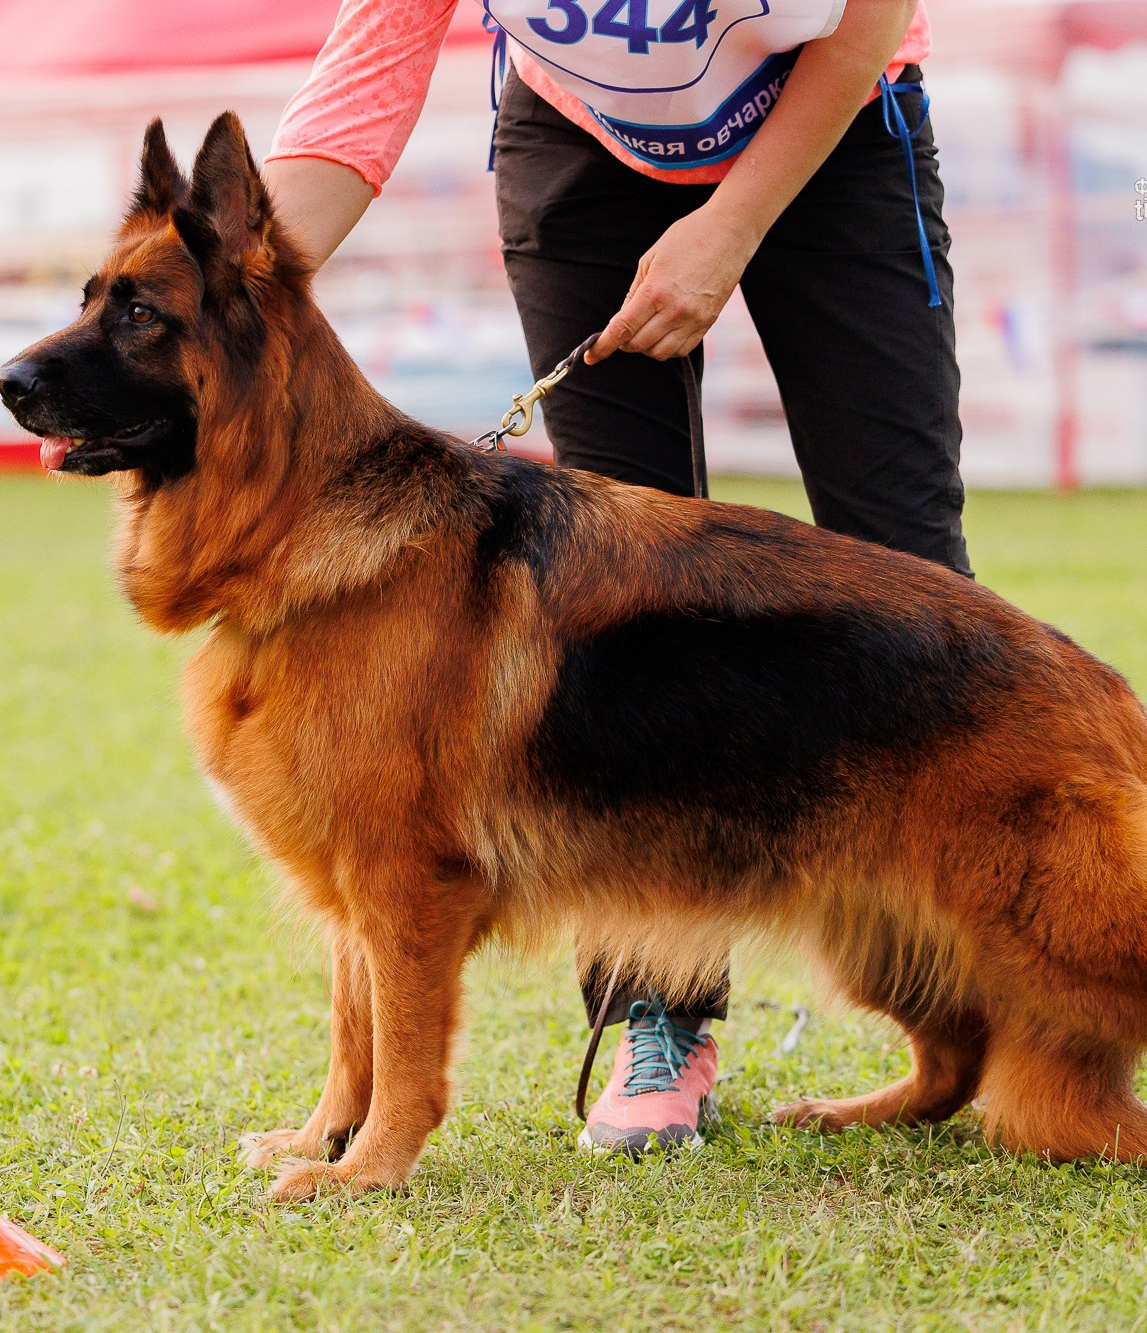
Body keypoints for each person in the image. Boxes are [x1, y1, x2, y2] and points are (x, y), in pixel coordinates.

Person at [263, 0, 971, 1158]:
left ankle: (983, 1007)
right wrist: (219, 291)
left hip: (836, 122)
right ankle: (659, 1019)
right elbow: (361, 85)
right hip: (580, 143)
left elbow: (864, 21)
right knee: (611, 608)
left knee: (903, 568)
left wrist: (728, 227)